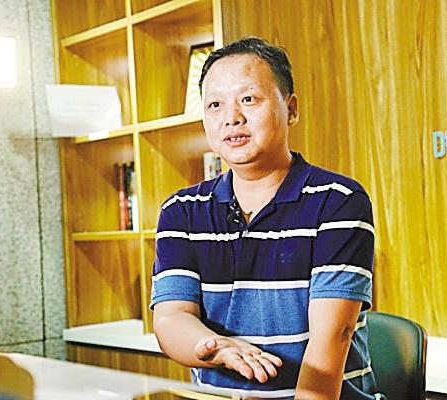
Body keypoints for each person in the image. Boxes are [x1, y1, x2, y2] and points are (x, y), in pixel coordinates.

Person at [151, 37, 382, 400]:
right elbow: (170, 318)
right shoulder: (181, 211)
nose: (231, 118)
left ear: (291, 109)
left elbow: (333, 336)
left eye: (248, 99)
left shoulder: (338, 201)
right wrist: (214, 347)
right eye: (215, 104)